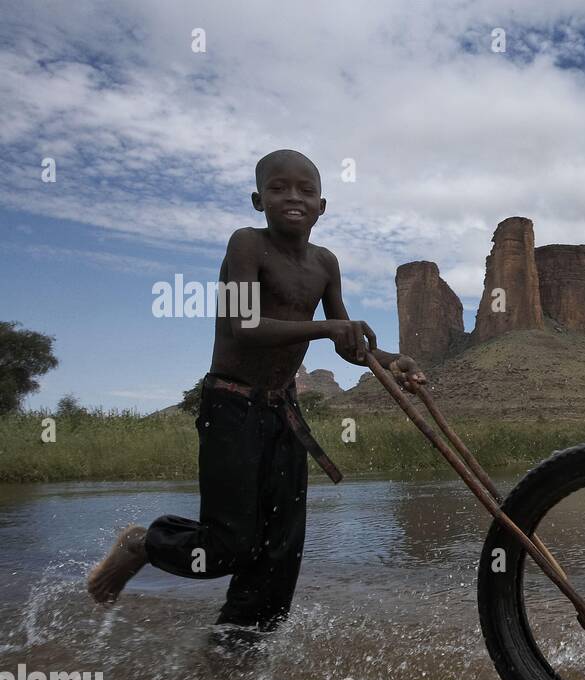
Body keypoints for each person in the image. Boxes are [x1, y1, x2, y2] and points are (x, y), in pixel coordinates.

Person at [87, 148, 424, 633]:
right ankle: (144, 543)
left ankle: (234, 660)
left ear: (323, 206)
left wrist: (391, 362)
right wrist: (328, 328)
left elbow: (344, 339)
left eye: (306, 190)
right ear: (257, 198)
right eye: (279, 188)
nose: (293, 198)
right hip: (231, 406)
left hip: (282, 413)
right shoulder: (247, 244)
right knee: (229, 544)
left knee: (281, 553)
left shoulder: (325, 263)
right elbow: (244, 324)